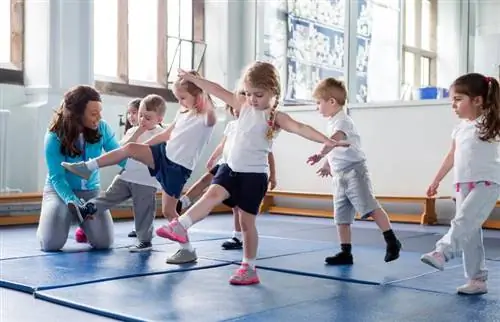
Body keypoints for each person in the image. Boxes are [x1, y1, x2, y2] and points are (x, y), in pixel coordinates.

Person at [155, 62, 349, 285]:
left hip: (254, 176)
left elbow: (300, 128)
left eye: (259, 94)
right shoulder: (243, 105)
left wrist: (327, 141)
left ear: (273, 92)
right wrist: (196, 80)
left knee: (247, 224)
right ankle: (181, 225)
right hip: (230, 168)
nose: (252, 99)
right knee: (211, 195)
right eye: (248, 93)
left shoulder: (275, 117)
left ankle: (249, 267)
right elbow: (217, 89)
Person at [61, 71, 216, 264]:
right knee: (130, 148)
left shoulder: (207, 118)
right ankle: (87, 167)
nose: (180, 102)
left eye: (183, 98)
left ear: (199, 95)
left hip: (178, 168)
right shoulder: (183, 112)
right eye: (178, 98)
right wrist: (143, 148)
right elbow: (166, 135)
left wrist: (197, 81)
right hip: (163, 156)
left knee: (169, 212)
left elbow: (210, 96)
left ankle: (187, 250)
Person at [421, 73, 500, 295]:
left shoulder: (491, 122)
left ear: (477, 100)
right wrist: (436, 179)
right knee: (470, 234)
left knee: (463, 221)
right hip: (463, 184)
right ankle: (477, 280)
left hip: (487, 182)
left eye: (458, 99)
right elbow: (451, 156)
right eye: (452, 101)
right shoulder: (459, 128)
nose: (453, 105)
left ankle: (442, 252)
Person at [308, 77, 401, 266]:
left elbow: (333, 141)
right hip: (339, 175)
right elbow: (336, 148)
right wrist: (327, 164)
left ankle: (392, 240)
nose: (317, 107)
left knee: (369, 206)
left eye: (319, 103)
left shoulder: (343, 121)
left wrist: (319, 154)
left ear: (331, 102)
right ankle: (345, 252)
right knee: (341, 216)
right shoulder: (333, 121)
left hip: (354, 172)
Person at [177, 91, 278, 250]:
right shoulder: (232, 125)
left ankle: (237, 237)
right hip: (225, 164)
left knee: (237, 207)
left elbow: (269, 154)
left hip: (243, 170)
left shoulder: (259, 126)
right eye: (234, 107)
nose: (237, 110)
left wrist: (273, 175)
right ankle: (184, 201)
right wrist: (212, 157)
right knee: (205, 180)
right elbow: (222, 144)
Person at [69, 95, 166, 252]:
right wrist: (137, 132)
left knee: (143, 210)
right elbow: (122, 150)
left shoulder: (161, 134)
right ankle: (88, 208)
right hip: (126, 176)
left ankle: (145, 241)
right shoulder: (133, 131)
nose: (142, 120)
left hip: (145, 181)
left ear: (159, 118)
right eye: (140, 115)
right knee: (109, 195)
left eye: (147, 118)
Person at [36, 85, 122, 251]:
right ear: (77, 114)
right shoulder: (54, 136)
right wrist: (73, 202)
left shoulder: (102, 128)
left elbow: (119, 155)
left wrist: (144, 170)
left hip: (91, 191)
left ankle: (83, 227)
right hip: (60, 191)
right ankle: (51, 221)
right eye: (93, 113)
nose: (99, 117)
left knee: (104, 243)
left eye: (100, 112)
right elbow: (57, 177)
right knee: (51, 244)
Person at [123, 98, 141, 238]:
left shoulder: (152, 130)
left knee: (142, 202)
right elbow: (122, 148)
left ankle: (141, 228)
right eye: (128, 113)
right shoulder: (130, 132)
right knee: (136, 201)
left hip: (145, 174)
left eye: (134, 112)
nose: (130, 116)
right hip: (131, 171)